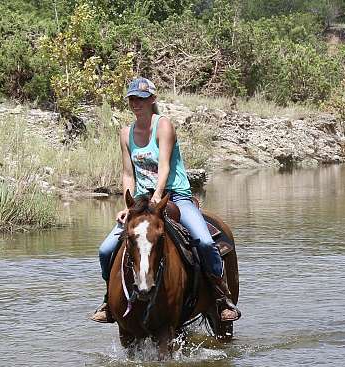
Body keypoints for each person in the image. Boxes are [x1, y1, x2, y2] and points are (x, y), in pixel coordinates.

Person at [91, 77, 241, 323]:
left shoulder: (163, 126)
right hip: (142, 202)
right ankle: (110, 300)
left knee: (203, 241)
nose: (136, 103)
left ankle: (220, 295)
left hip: (175, 196)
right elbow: (128, 173)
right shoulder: (125, 133)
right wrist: (128, 206)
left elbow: (164, 166)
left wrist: (158, 197)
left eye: (141, 99)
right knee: (106, 249)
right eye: (132, 99)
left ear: (152, 99)